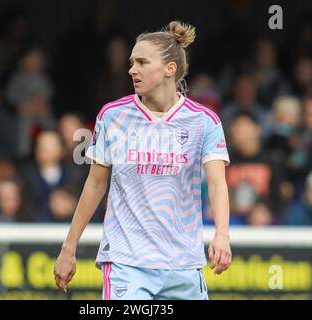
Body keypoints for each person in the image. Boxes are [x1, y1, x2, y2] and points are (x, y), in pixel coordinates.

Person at [54, 21, 231, 300]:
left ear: (170, 69)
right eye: (131, 62)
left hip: (183, 264)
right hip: (127, 262)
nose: (131, 70)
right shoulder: (112, 115)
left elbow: (218, 183)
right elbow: (95, 185)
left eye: (141, 62)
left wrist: (222, 234)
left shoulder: (204, 121)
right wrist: (69, 247)